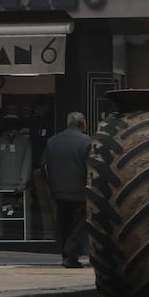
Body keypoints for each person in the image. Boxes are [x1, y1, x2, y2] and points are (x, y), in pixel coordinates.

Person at [44, 112, 92, 268]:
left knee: (63, 223)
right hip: (79, 191)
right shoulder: (86, 141)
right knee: (79, 224)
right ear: (82, 124)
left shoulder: (52, 141)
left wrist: (51, 184)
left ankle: (65, 254)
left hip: (58, 191)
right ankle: (71, 256)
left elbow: (43, 166)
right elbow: (91, 167)